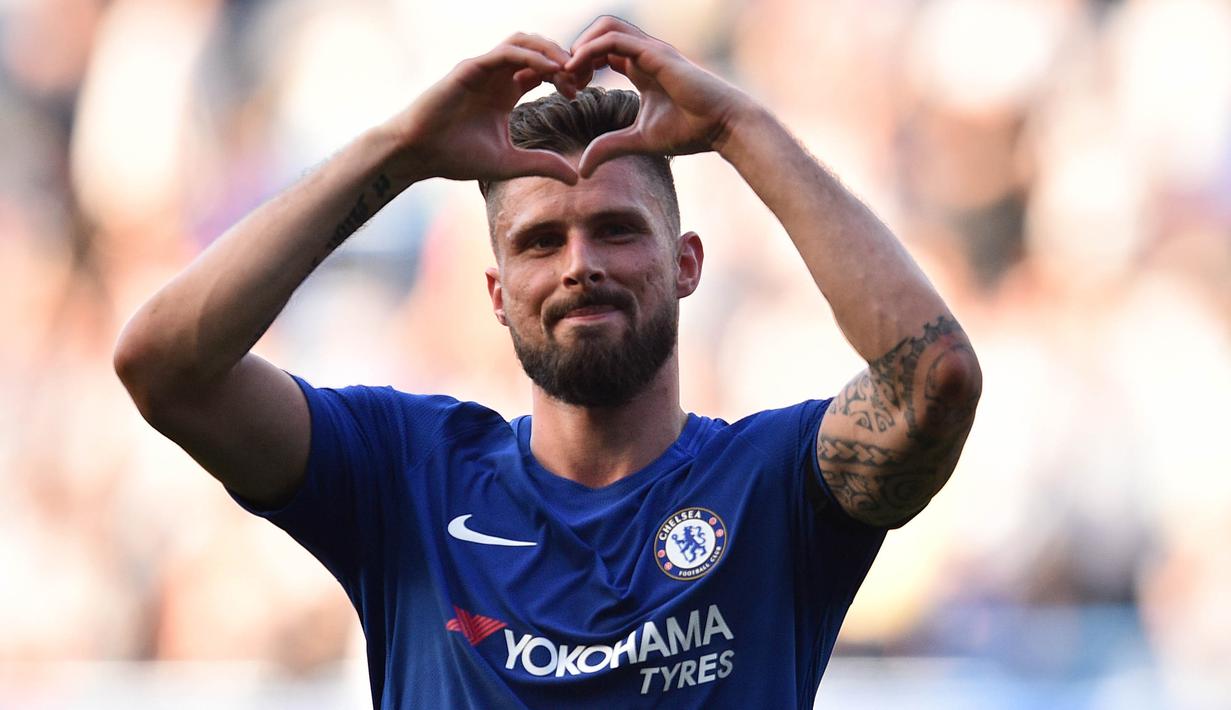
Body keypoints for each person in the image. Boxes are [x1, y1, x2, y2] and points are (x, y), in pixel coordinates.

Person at [114, 16, 981, 709]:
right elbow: (164, 367)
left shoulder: (773, 487)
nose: (579, 264)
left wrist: (736, 127)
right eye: (540, 241)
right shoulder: (404, 475)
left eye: (615, 229)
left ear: (687, 264)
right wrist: (401, 150)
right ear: (495, 292)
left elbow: (933, 380)